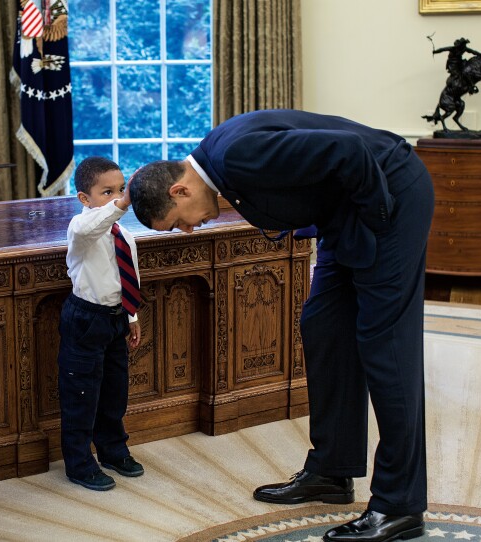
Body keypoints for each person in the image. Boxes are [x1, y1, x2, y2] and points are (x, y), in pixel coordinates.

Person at [129, 109, 434, 542]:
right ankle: (332, 470)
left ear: (179, 190)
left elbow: (352, 150)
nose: (187, 229)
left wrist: (381, 223)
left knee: (386, 346)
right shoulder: (220, 163)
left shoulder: (235, 155)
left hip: (389, 197)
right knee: (324, 327)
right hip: (348, 212)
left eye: (177, 221)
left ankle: (400, 506)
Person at [58, 157, 143, 491]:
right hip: (85, 319)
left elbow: (128, 273)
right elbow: (91, 226)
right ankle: (79, 463)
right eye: (106, 192)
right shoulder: (81, 229)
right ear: (85, 199)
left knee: (114, 391)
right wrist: (122, 203)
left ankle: (113, 450)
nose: (116, 197)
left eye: (120, 189)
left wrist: (132, 316)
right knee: (82, 394)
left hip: (115, 319)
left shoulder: (123, 233)